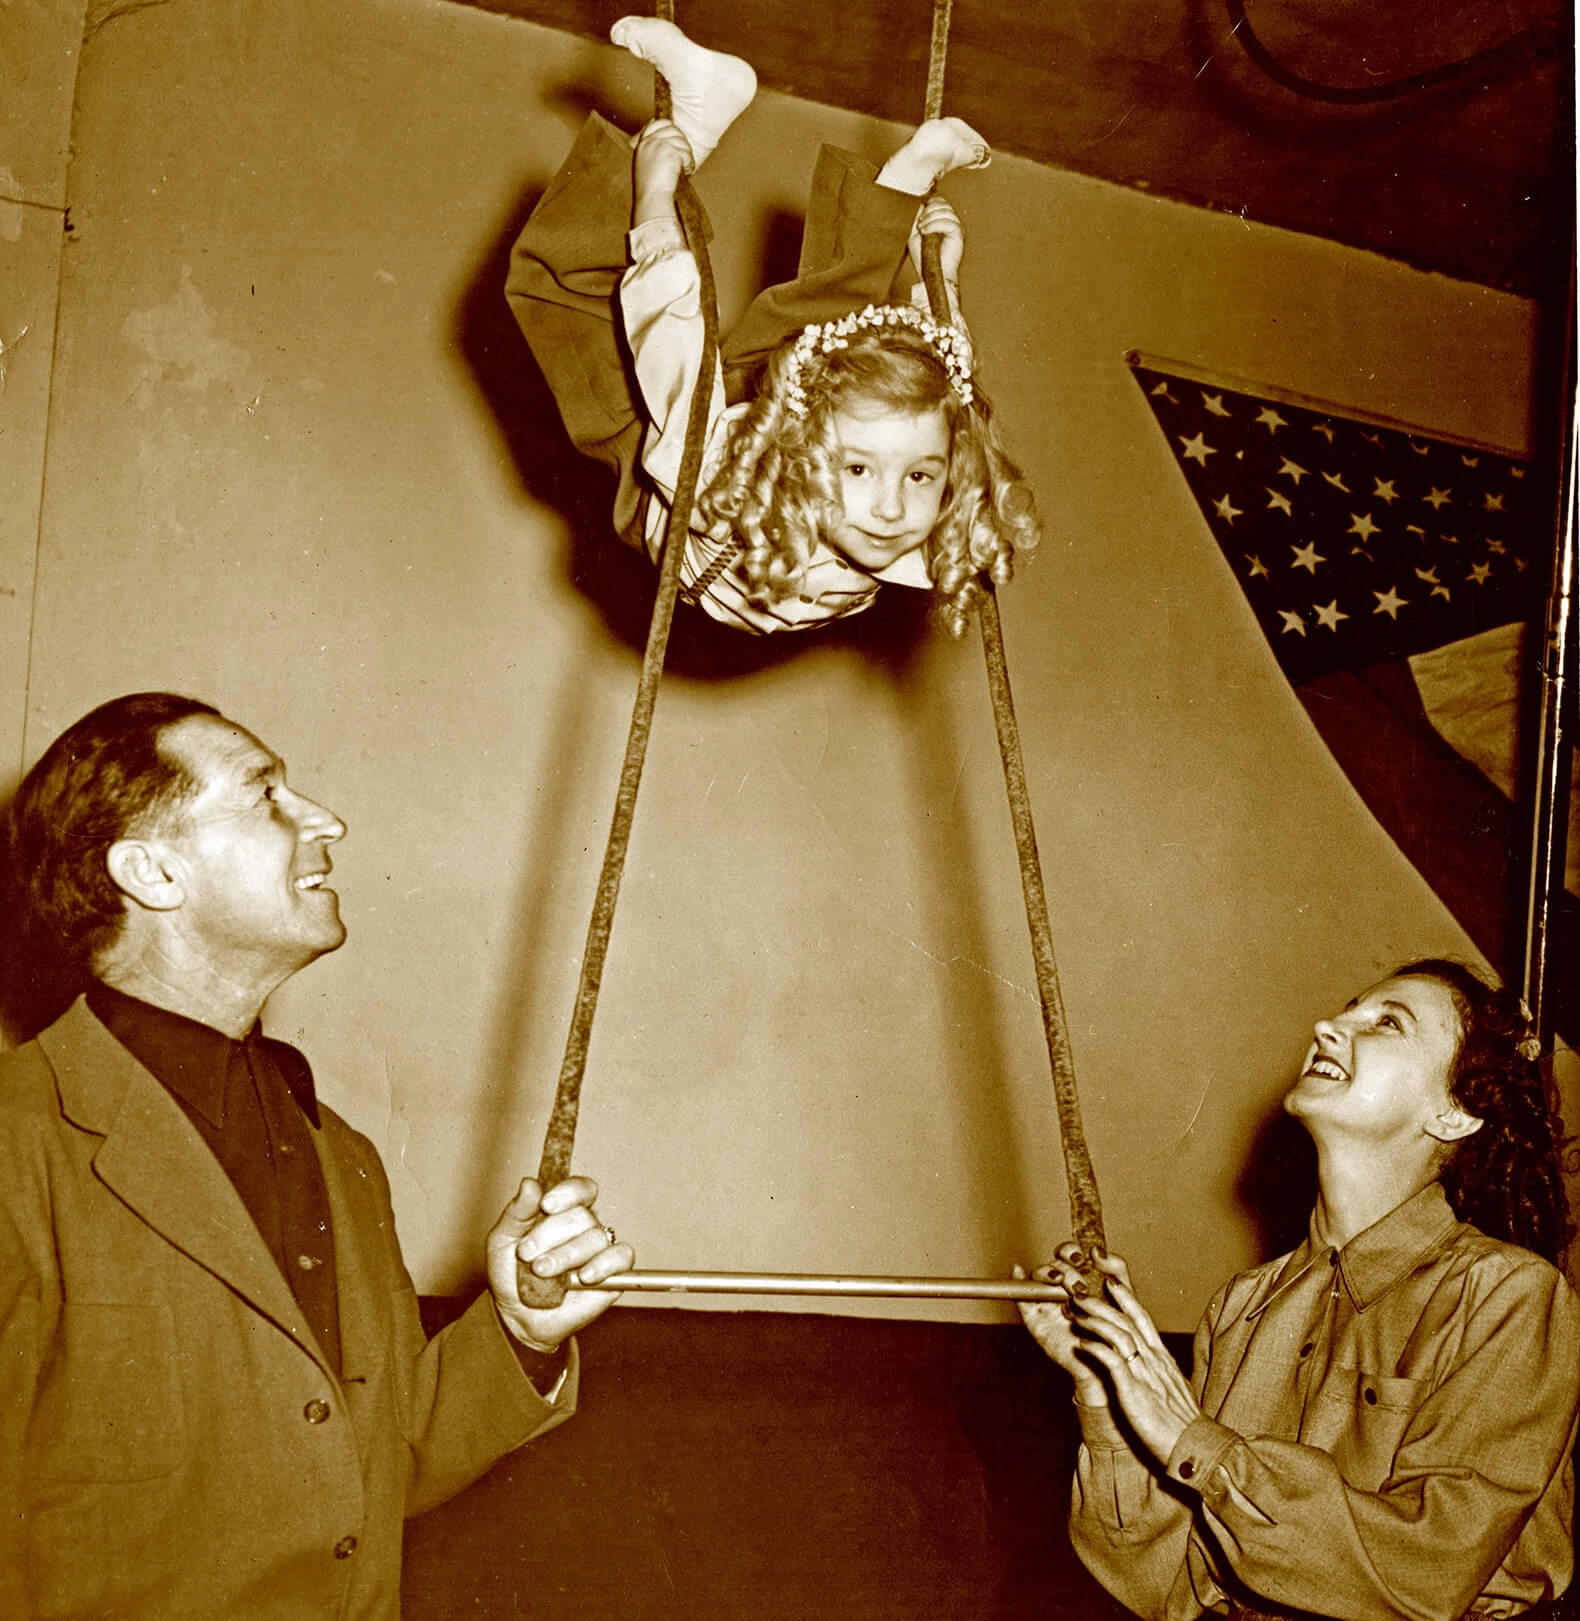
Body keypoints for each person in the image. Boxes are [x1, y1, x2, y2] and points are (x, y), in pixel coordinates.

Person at [0, 692, 634, 1619]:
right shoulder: (22, 1141)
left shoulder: (343, 1152)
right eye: (266, 794)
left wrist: (521, 1330)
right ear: (151, 871)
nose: (325, 820)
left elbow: (370, 1463)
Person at [1021, 959, 1580, 1621]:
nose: (1327, 1026)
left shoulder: (1508, 1295)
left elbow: (1426, 1573)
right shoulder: (1242, 1305)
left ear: (1453, 1112)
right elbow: (1164, 1587)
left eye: (1385, 1023)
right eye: (1346, 1008)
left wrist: (1194, 1439)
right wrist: (1104, 1386)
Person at [506, 16, 1039, 636]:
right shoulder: (722, 475)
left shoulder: (942, 520)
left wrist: (653, 196)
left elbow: (950, 402)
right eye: (860, 470)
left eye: (921, 475)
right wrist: (936, 284)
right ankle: (884, 180)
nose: (893, 509)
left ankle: (706, 127)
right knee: (581, 299)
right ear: (801, 443)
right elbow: (943, 385)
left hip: (715, 471)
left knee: (828, 344)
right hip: (714, 471)